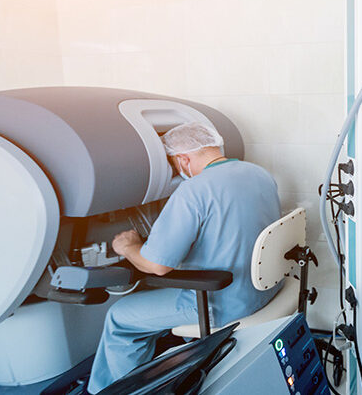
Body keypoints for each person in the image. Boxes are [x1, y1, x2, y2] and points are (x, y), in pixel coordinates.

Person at [87, 122, 281, 393]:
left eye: (174, 164)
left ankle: (118, 391)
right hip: (264, 289)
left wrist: (128, 247)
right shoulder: (259, 174)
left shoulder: (194, 190)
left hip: (220, 302)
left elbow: (157, 265)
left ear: (183, 159)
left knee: (120, 317)